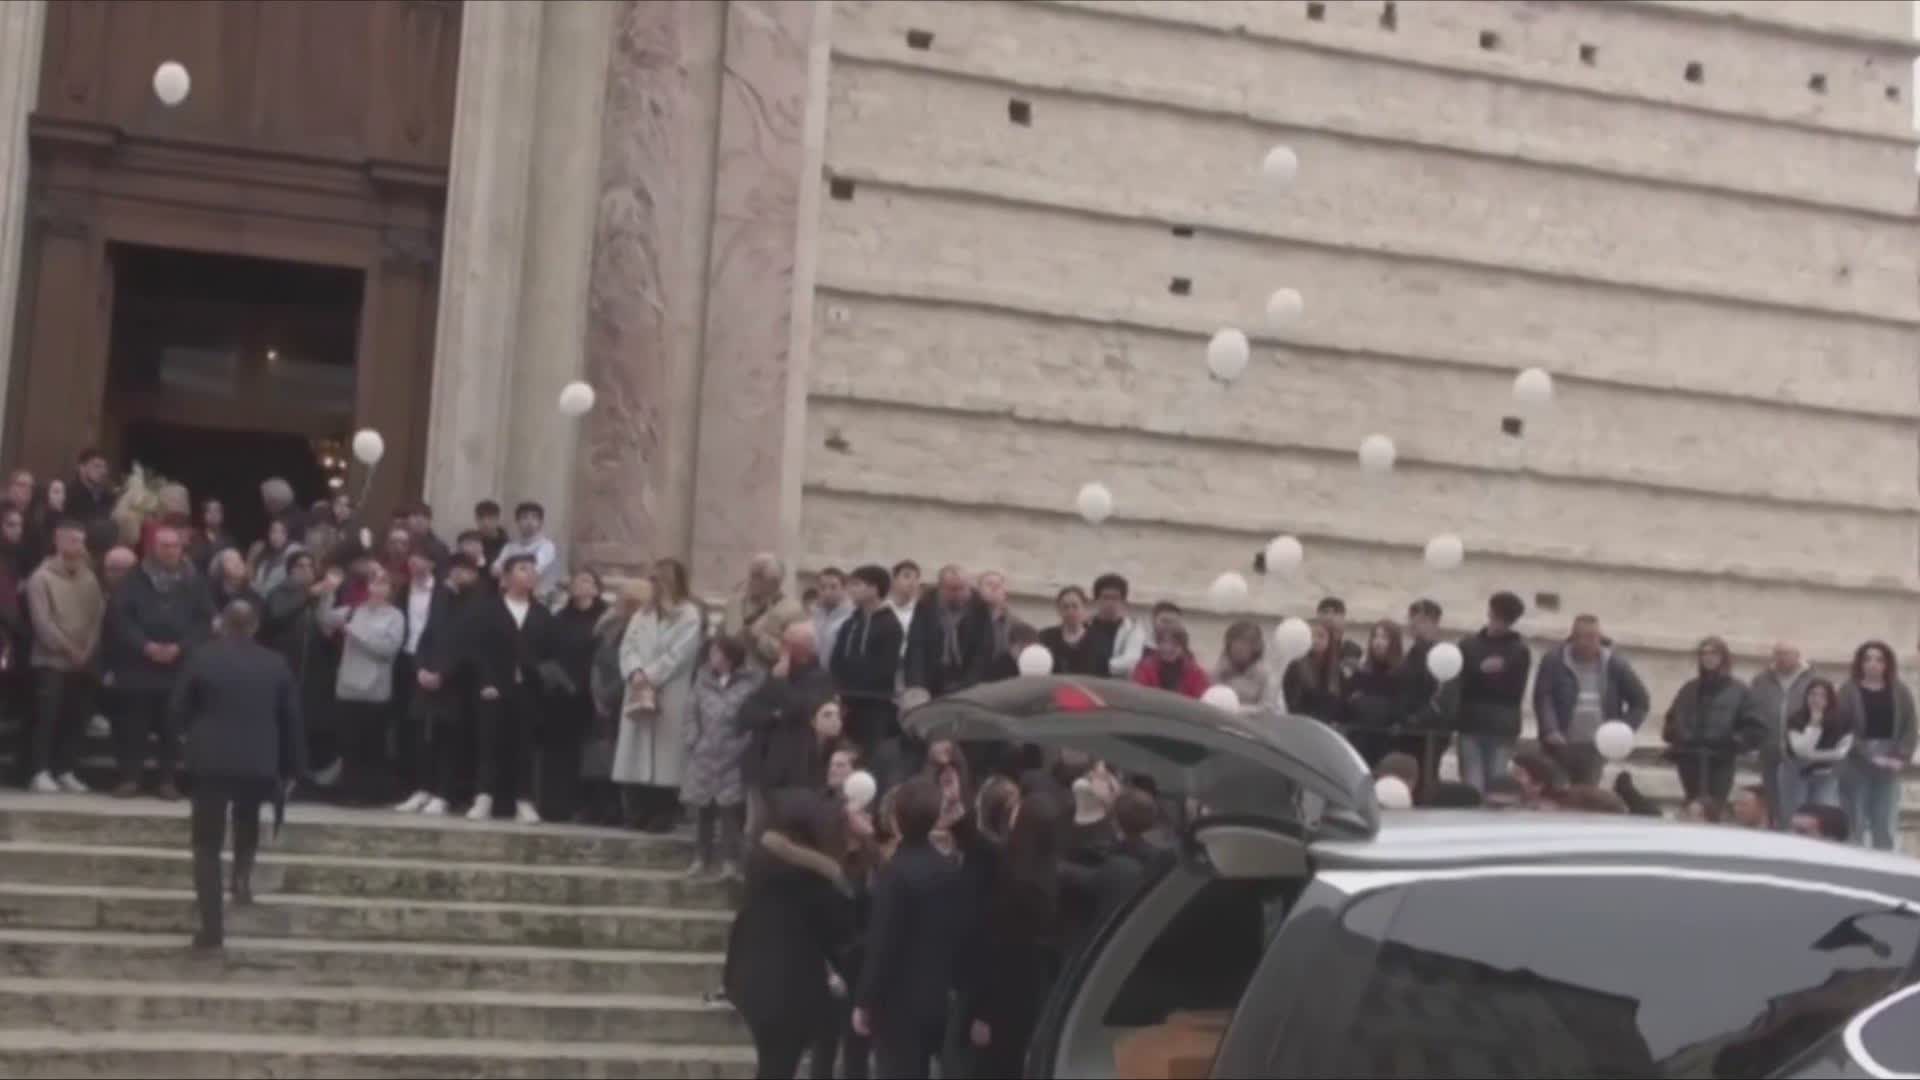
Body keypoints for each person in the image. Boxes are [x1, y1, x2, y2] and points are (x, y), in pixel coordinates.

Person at [171, 599, 303, 950]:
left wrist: (186, 741)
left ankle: (212, 927)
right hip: (259, 761)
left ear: (221, 624)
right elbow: (291, 719)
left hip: (210, 760)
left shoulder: (203, 656)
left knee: (206, 845)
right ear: (255, 626)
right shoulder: (275, 663)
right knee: (247, 816)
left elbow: (178, 707)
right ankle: (241, 877)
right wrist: (291, 767)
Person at [724, 790, 855, 1080]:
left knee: (772, 1064)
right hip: (791, 990)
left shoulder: (760, 862)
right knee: (780, 1066)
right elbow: (840, 930)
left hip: (750, 978)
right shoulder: (817, 879)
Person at [854, 776, 972, 1079]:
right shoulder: (948, 869)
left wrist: (865, 999)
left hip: (897, 1002)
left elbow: (882, 942)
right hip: (937, 994)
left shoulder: (895, 874)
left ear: (896, 818)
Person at [108, 525, 214, 799]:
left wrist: (181, 647)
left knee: (172, 726)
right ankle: (130, 778)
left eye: (174, 545)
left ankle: (168, 780)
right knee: (134, 725)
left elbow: (204, 621)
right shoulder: (134, 578)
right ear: (154, 548)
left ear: (182, 549)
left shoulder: (195, 581)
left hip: (178, 665)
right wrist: (145, 646)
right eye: (163, 545)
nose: (169, 550)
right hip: (138, 665)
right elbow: (120, 618)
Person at [968, 790, 1064, 1078]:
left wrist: (983, 1013)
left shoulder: (1016, 883)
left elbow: (1001, 952)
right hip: (1034, 992)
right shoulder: (1050, 873)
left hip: (1004, 998)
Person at [614, 559, 704, 832]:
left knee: (666, 752)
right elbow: (628, 647)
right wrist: (635, 673)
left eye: (659, 580)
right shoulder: (642, 614)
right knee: (636, 750)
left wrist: (651, 676)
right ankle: (636, 809)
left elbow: (679, 654)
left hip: (669, 690)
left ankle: (663, 811)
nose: (654, 585)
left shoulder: (688, 615)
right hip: (638, 689)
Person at [464, 554, 553, 823]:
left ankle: (523, 800)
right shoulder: (488, 610)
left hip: (528, 689)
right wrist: (485, 681)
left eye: (533, 570)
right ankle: (484, 797)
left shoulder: (541, 613)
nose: (529, 574)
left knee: (523, 745)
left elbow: (548, 651)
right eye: (523, 568)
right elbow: (477, 649)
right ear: (506, 577)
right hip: (493, 686)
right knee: (489, 743)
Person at [25, 518, 104, 794]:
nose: (79, 546)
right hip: (51, 661)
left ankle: (66, 769)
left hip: (82, 661)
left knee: (76, 717)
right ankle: (40, 770)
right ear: (58, 541)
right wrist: (69, 649)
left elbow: (97, 616)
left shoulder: (90, 577)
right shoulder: (41, 577)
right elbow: (42, 622)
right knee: (47, 718)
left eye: (82, 541)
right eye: (73, 540)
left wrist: (87, 649)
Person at [740, 623, 836, 838]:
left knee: (783, 831)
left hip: (793, 768)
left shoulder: (819, 678)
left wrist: (781, 684)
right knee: (755, 828)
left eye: (786, 644)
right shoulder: (776, 674)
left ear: (802, 650)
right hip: (760, 763)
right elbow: (747, 713)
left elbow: (800, 710)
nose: (780, 649)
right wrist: (775, 715)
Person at [1533, 614, 1650, 786]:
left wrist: (1620, 732)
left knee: (1586, 795)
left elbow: (1640, 702)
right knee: (1557, 792)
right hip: (1561, 743)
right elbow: (1543, 697)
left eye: (1591, 637)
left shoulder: (1615, 664)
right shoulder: (1554, 660)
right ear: (1572, 637)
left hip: (1595, 747)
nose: (1585, 642)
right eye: (1579, 637)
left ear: (1599, 638)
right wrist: (1550, 729)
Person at [682, 636, 764, 878]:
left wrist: (744, 743)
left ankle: (730, 860)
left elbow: (754, 717)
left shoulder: (751, 683)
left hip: (734, 754)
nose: (712, 657)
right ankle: (700, 857)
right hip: (704, 754)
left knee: (730, 811)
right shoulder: (702, 679)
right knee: (703, 809)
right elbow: (691, 711)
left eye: (717, 653)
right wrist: (692, 739)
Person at [325, 569, 405, 804]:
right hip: (348, 687)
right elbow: (325, 619)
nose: (378, 588)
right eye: (374, 583)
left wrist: (354, 631)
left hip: (375, 691)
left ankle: (371, 794)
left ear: (391, 589)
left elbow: (387, 650)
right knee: (349, 744)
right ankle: (348, 792)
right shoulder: (353, 610)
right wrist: (328, 594)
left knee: (372, 745)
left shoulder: (395, 616)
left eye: (384, 584)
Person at [538, 569, 607, 824]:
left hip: (593, 697)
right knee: (559, 753)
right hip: (560, 696)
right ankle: (556, 806)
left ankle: (590, 807)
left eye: (587, 580)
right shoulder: (559, 618)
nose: (580, 584)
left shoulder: (605, 619)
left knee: (590, 753)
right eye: (577, 579)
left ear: (597, 589)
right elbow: (545, 652)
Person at [1661, 635, 1761, 811]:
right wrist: (1677, 735)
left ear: (1723, 657)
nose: (1708, 657)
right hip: (1689, 758)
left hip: (1720, 760)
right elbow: (1672, 718)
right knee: (1692, 806)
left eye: (1714, 653)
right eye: (1704, 653)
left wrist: (1732, 741)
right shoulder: (1689, 689)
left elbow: (1754, 728)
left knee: (1715, 806)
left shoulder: (1738, 690)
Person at [1836, 640, 1917, 851]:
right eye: (1868, 659)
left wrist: (1901, 757)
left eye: (1879, 660)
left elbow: (1910, 726)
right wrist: (1869, 755)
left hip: (1890, 761)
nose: (1873, 664)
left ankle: (1885, 864)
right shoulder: (1847, 691)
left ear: (1887, 664)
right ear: (1860, 663)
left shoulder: (1900, 691)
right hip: (1856, 762)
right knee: (1855, 819)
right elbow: (1842, 729)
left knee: (1885, 819)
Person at [1453, 592, 1532, 793]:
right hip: (1471, 723)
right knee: (1473, 784)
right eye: (1496, 616)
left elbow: (1513, 689)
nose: (1498, 623)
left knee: (1497, 783)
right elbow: (1460, 680)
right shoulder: (1469, 645)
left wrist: (1483, 673)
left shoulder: (1518, 650)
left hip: (1501, 726)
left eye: (1504, 619)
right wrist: (1482, 671)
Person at [830, 565, 904, 760]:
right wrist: (838, 688)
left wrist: (858, 683)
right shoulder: (850, 623)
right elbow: (836, 659)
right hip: (846, 700)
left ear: (874, 588)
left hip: (875, 702)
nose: (851, 590)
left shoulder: (890, 625)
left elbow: (886, 667)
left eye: (857, 584)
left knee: (870, 757)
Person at [902, 565, 997, 703]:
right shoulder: (926, 604)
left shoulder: (980, 607)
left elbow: (983, 650)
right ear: (941, 588)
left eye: (963, 588)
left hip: (966, 680)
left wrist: (969, 685)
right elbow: (916, 646)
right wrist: (917, 685)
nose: (959, 593)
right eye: (953, 589)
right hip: (931, 679)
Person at [1750, 641, 1813, 828]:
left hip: (1800, 753)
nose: (1782, 658)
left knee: (1797, 803)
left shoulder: (1812, 680)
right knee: (1773, 801)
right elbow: (1753, 712)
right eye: (1778, 654)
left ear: (1797, 656)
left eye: (1786, 654)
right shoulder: (1761, 681)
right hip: (1769, 751)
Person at [1345, 620, 1411, 767]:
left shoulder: (1403, 673)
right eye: (1375, 637)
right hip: (1360, 741)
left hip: (1388, 743)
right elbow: (1347, 703)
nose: (1378, 642)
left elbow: (1401, 709)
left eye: (1384, 638)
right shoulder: (1361, 673)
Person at [726, 553, 806, 672]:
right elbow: (722, 635)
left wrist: (760, 639)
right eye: (751, 574)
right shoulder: (736, 602)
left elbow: (794, 655)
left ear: (774, 582)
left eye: (758, 576)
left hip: (763, 679)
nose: (751, 580)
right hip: (729, 674)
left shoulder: (793, 610)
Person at [1783, 677, 1848, 816]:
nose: (1816, 699)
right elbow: (1800, 751)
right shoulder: (1797, 718)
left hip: (1826, 773)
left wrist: (1813, 755)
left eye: (1822, 695)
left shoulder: (1841, 720)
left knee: (1823, 813)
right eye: (1813, 694)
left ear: (1830, 698)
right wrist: (1814, 724)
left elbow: (1842, 752)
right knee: (1797, 814)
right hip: (1796, 772)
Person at [490, 501, 561, 597]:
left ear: (541, 523)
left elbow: (534, 571)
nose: (529, 522)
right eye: (524, 517)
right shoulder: (510, 547)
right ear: (517, 522)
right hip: (511, 596)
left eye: (534, 518)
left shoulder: (547, 546)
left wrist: (506, 574)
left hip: (541, 597)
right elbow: (495, 570)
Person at [1282, 619, 1346, 726]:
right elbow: (1292, 702)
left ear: (1330, 641)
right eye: (1311, 636)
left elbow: (1340, 702)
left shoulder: (1337, 670)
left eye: (1320, 636)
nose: (1315, 641)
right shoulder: (1296, 666)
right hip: (1303, 724)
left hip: (1329, 726)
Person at [1088, 572, 1149, 681]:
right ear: (1096, 600)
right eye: (1105, 598)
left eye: (1115, 598)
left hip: (1119, 689)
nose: (1110, 603)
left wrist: (1101, 666)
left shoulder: (1133, 629)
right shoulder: (1086, 625)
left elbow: (1131, 660)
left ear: (1123, 601)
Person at [1038, 585, 1107, 677]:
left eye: (1075, 606)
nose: (1070, 611)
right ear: (1058, 610)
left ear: (1084, 608)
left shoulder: (1099, 641)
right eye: (1065, 607)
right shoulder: (1045, 638)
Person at [1131, 621, 1209, 699]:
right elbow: (1138, 697)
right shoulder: (1144, 668)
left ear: (1183, 647)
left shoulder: (1196, 673)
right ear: (1157, 644)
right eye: (1163, 642)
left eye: (1174, 644)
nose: (1168, 648)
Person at [1212, 620, 1278, 707]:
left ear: (1256, 647)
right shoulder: (1219, 671)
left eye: (1244, 643)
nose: (1238, 648)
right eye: (1235, 643)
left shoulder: (1266, 676)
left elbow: (1267, 708)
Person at [810, 568, 855, 663]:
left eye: (833, 587)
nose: (827, 592)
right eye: (822, 587)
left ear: (844, 589)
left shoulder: (852, 617)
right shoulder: (813, 615)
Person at [249, 518, 300, 598]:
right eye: (273, 531)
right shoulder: (264, 555)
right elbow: (256, 584)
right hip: (261, 600)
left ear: (288, 534)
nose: (277, 536)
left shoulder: (295, 552)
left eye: (282, 532)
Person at [209, 549, 261, 616]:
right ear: (221, 569)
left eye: (239, 559)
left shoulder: (253, 593)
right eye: (230, 561)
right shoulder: (214, 598)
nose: (237, 563)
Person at [1316, 596, 1364, 667]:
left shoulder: (1351, 650)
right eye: (1326, 612)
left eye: (1336, 612)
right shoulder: (1309, 649)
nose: (1330, 617)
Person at [188, 498, 232, 574]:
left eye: (217, 511)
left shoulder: (229, 541)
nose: (213, 514)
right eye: (209, 511)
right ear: (203, 515)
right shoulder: (194, 539)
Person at [401, 502, 451, 569]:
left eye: (425, 517)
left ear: (430, 521)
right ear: (406, 520)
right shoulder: (397, 541)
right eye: (415, 515)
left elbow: (442, 575)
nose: (420, 520)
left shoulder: (439, 548)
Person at [887, 560, 922, 650]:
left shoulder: (923, 611)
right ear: (894, 580)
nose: (912, 582)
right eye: (907, 576)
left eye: (916, 578)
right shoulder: (883, 609)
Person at [472, 499, 509, 568]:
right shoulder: (471, 541)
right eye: (481, 518)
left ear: (498, 519)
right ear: (476, 519)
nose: (485, 522)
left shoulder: (507, 545)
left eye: (490, 518)